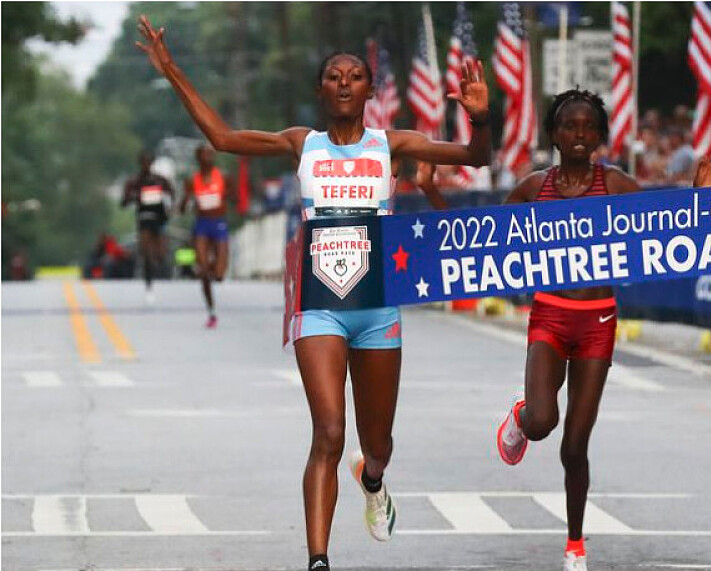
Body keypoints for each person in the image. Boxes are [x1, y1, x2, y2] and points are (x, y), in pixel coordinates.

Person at [137, 15, 490, 571]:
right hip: (319, 306)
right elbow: (223, 138)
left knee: (379, 443)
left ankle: (372, 478)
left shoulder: (392, 145)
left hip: (377, 307)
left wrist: (481, 118)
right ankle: (318, 560)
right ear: (320, 90)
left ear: (370, 91)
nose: (344, 82)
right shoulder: (302, 144)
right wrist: (172, 70)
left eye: (355, 76)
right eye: (333, 76)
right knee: (328, 431)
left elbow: (476, 157)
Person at [495, 88, 711, 571]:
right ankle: (521, 417)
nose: (579, 134)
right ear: (554, 135)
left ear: (601, 135)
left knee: (575, 445)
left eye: (589, 126)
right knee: (543, 422)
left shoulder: (617, 184)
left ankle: (575, 544)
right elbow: (476, 243)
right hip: (549, 315)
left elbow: (664, 230)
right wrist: (434, 196)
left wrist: (698, 197)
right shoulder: (531, 188)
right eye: (570, 126)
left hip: (597, 321)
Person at [180, 144, 235, 328]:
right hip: (202, 225)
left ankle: (214, 268)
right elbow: (182, 207)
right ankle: (211, 311)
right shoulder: (192, 180)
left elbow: (234, 197)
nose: (208, 157)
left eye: (211, 154)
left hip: (219, 224)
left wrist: (227, 195)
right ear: (198, 158)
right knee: (203, 271)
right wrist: (187, 201)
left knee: (219, 275)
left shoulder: (223, 177)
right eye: (205, 154)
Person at [122, 149, 175, 303]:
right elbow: (124, 201)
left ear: (152, 163)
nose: (146, 165)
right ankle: (148, 280)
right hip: (144, 217)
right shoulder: (134, 181)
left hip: (159, 217)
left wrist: (169, 206)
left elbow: (172, 194)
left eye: (148, 162)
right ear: (140, 163)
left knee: (160, 254)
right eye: (143, 162)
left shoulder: (160, 180)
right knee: (145, 251)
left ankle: (159, 265)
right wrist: (134, 196)